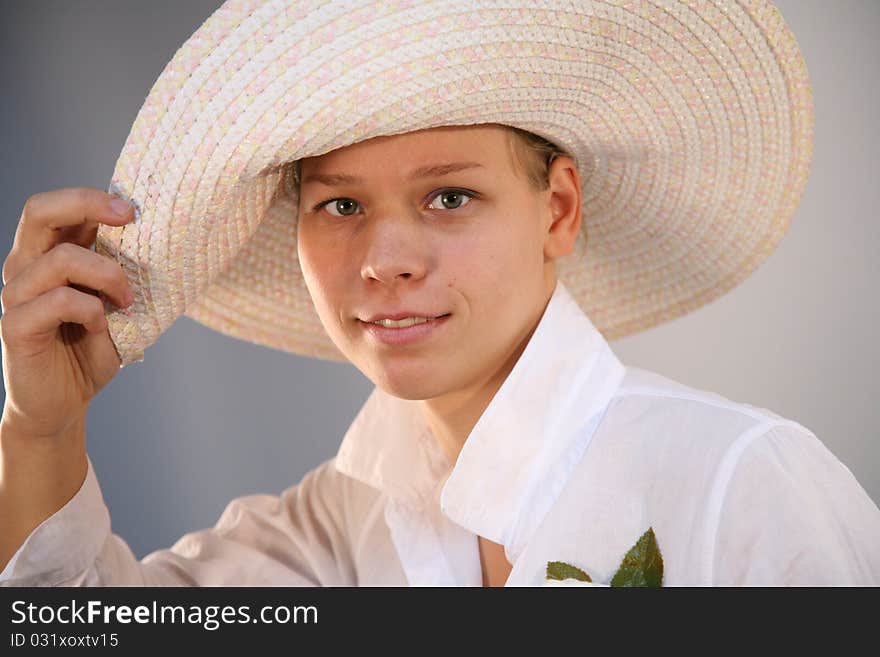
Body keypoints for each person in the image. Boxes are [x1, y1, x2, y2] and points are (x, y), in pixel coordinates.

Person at [1, 0, 878, 587]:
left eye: (449, 196)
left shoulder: (742, 481)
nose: (384, 258)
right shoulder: (332, 531)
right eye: (340, 203)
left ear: (558, 208)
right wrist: (41, 427)